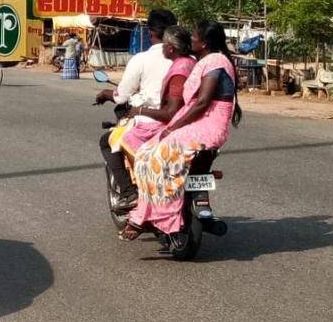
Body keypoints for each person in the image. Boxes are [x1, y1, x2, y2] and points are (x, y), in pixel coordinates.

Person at [122, 21, 240, 243]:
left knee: (153, 158)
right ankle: (146, 214)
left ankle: (155, 216)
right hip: (199, 123)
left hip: (207, 127)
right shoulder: (206, 61)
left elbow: (202, 102)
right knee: (147, 153)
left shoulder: (214, 62)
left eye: (194, 36)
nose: (191, 39)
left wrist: (174, 127)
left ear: (204, 43)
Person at [101, 26, 194, 211]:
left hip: (159, 119)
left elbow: (122, 96)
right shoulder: (193, 61)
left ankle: (130, 193)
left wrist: (139, 110)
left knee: (108, 141)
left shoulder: (145, 60)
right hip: (190, 120)